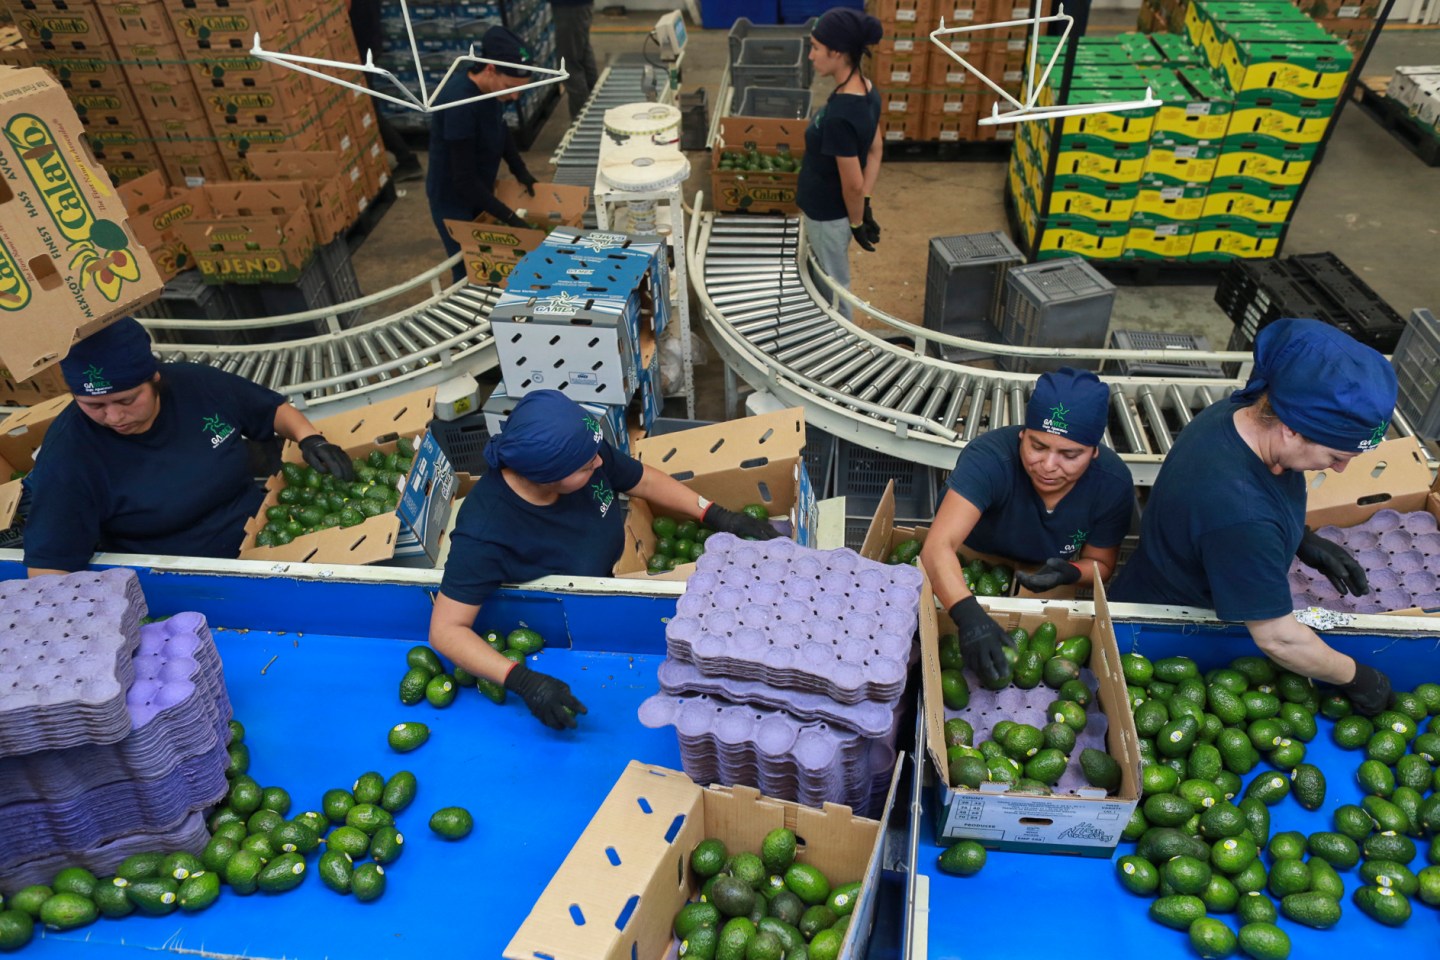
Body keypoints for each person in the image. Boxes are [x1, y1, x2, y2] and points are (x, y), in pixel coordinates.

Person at [429, 391, 781, 730]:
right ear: (547, 477)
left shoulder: (581, 454)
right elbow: (446, 630)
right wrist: (522, 680)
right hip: (577, 624)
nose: (599, 462)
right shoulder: (486, 531)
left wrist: (714, 514)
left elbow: (641, 479)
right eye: (586, 465)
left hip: (619, 578)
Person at [1109, 318, 1398, 716]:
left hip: (1160, 576)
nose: (1340, 471)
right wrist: (1357, 676)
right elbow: (1279, 639)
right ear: (1292, 430)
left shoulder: (1236, 414)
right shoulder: (1242, 515)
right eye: (1335, 457)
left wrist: (1299, 537)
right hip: (1174, 631)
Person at [21, 318, 354, 576]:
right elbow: (50, 565)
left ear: (154, 379)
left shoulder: (195, 385)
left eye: (127, 399)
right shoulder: (69, 454)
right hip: (172, 574)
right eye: (93, 406)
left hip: (268, 536)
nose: (113, 416)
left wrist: (310, 438)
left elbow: (268, 409)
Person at [921, 368, 1135, 683]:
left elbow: (1102, 565)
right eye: (1037, 446)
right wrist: (969, 616)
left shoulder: (1111, 484)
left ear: (1093, 452)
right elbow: (938, 547)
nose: (1048, 466)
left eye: (1069, 454)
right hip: (967, 565)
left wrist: (1071, 572)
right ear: (1023, 434)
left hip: (1044, 576)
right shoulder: (990, 459)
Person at [427, 25, 541, 283]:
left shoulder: (493, 91)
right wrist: (511, 218)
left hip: (479, 189)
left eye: (521, 89)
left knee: (491, 262)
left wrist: (519, 169)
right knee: (469, 268)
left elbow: (500, 127)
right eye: (510, 86)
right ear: (490, 69)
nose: (514, 96)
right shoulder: (460, 104)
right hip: (453, 199)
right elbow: (463, 180)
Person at [796, 8, 884, 321]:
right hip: (834, 214)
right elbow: (875, 149)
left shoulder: (841, 115)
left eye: (815, 48)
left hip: (827, 217)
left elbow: (853, 183)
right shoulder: (868, 91)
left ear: (837, 53)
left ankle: (843, 348)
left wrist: (857, 221)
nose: (810, 56)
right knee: (827, 282)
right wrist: (865, 204)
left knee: (833, 288)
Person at [348, 0, 422, 182]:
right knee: (365, 105)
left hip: (359, 49)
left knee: (366, 107)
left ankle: (407, 160)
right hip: (365, 45)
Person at [550, 0, 599, 118]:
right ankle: (595, 107)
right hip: (576, 6)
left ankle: (583, 123)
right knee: (582, 54)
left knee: (569, 66)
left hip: (569, 7)